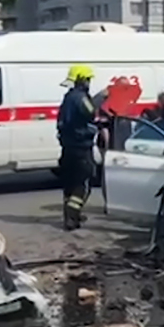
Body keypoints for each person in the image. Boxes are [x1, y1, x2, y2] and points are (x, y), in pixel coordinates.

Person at [57, 64, 98, 231]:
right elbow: (91, 112)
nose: (89, 82)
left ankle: (71, 214)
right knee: (82, 184)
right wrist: (99, 99)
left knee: (70, 182)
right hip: (81, 147)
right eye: (87, 79)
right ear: (82, 79)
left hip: (67, 148)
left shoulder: (67, 97)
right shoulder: (80, 97)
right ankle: (72, 218)